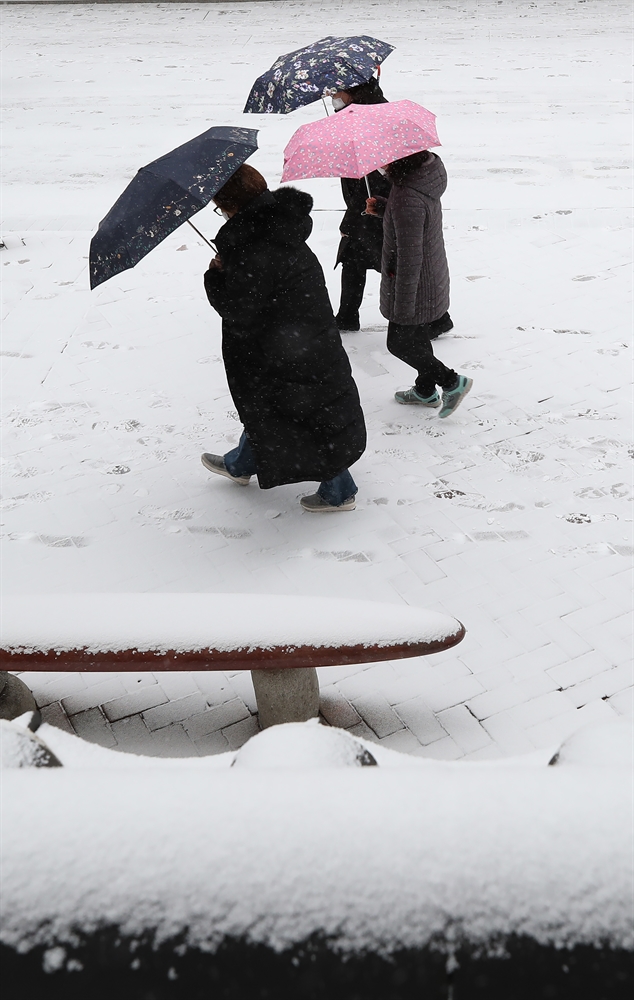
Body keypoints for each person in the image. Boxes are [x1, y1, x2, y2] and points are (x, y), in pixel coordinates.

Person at [201, 164, 366, 512]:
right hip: (307, 342)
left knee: (302, 415)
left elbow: (239, 309)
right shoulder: (281, 227)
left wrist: (215, 276)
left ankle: (339, 492)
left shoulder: (252, 247)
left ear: (232, 206)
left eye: (220, 206)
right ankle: (241, 463)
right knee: (279, 410)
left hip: (285, 352)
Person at [366, 150, 471, 418]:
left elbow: (409, 258)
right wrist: (384, 208)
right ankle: (425, 391)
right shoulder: (421, 180)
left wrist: (402, 306)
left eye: (384, 158)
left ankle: (451, 382)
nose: (379, 163)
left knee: (399, 343)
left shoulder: (406, 198)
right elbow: (414, 220)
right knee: (417, 338)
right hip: (430, 277)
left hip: (414, 285)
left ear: (400, 160)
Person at [330, 76, 393, 333]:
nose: (332, 97)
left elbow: (373, 179)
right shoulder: (355, 116)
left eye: (337, 91)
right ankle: (346, 315)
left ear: (353, 91)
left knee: (388, 265)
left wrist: (350, 219)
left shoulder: (370, 121)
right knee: (354, 259)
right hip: (367, 206)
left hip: (376, 207)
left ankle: (434, 318)